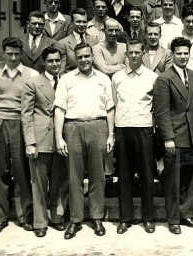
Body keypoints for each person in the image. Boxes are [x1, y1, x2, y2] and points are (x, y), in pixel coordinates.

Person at [54, 42, 115, 239]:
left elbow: (110, 109)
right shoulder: (66, 79)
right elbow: (59, 110)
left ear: (92, 56)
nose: (83, 60)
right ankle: (76, 219)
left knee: (98, 176)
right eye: (79, 57)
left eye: (87, 56)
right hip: (72, 128)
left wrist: (111, 134)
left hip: (98, 126)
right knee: (74, 176)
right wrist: (58, 137)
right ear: (75, 58)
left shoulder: (104, 79)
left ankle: (97, 217)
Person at [0, 37, 39, 234]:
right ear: (3, 54)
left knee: (21, 171)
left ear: (21, 54)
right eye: (9, 53)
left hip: (21, 123)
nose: (13, 57)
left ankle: (25, 216)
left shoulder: (31, 74)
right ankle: (0, 218)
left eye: (17, 54)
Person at [154, 37, 193, 234]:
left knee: (191, 178)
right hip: (175, 137)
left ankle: (186, 213)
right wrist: (167, 138)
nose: (183, 56)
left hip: (192, 136)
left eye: (185, 53)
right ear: (172, 55)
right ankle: (173, 219)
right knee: (173, 180)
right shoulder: (164, 78)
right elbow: (161, 111)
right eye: (179, 53)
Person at [21, 47, 69, 237]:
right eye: (50, 61)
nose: (55, 64)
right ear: (43, 62)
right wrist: (30, 142)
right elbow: (26, 115)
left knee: (59, 180)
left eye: (57, 60)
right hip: (40, 139)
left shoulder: (66, 81)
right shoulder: (32, 83)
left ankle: (57, 217)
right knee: (39, 182)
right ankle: (39, 222)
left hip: (62, 137)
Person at [111, 40, 158, 235]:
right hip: (123, 128)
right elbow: (114, 103)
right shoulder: (116, 78)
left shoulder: (153, 77)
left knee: (147, 174)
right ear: (126, 54)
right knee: (124, 175)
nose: (134, 55)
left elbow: (156, 106)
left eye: (137, 52)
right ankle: (125, 218)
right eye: (130, 52)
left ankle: (148, 218)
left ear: (143, 53)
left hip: (144, 128)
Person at [56, 8, 99, 74]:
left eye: (84, 22)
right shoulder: (63, 44)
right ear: (71, 22)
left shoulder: (95, 42)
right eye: (78, 22)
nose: (82, 25)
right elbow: (61, 72)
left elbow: (97, 67)